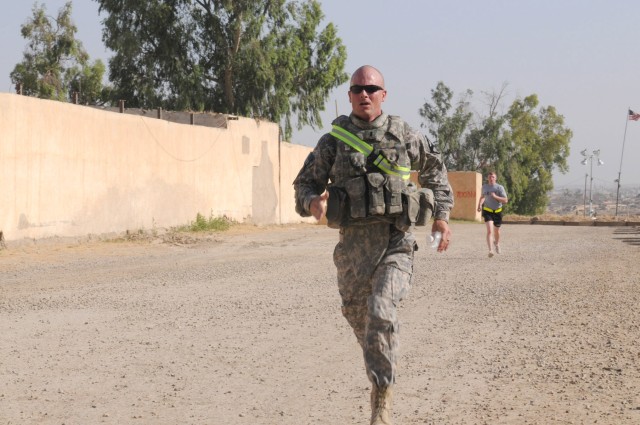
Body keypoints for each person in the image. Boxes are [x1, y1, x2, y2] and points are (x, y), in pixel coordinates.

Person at [293, 65, 453, 425]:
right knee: (363, 323)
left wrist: (442, 215)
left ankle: (382, 396)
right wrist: (311, 202)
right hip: (351, 254)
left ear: (384, 94)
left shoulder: (404, 135)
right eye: (357, 89)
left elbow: (436, 172)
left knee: (381, 310)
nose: (364, 94)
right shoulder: (333, 141)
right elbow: (304, 184)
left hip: (395, 245)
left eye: (371, 88)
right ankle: (380, 366)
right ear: (350, 95)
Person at [477, 171, 508, 257]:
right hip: (487, 211)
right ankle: (490, 250)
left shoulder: (499, 188)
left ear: (495, 178)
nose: (491, 179)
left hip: (497, 212)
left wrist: (495, 197)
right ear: (488, 178)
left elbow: (505, 200)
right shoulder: (485, 187)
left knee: (497, 231)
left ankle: (497, 244)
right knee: (490, 231)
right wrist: (479, 204)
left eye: (493, 177)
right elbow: (483, 197)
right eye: (490, 177)